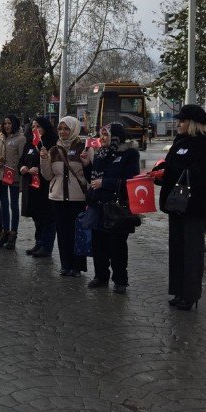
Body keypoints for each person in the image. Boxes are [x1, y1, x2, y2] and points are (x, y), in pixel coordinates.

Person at [157, 105, 206, 310]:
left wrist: (175, 173)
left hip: (194, 206)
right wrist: (160, 174)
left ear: (192, 123)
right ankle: (179, 291)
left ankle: (190, 295)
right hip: (176, 204)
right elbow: (171, 165)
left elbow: (203, 174)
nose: (178, 124)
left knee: (192, 251)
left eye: (182, 121)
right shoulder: (180, 141)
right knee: (177, 249)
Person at [86, 123, 140, 294]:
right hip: (98, 206)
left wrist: (105, 183)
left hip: (116, 208)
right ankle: (100, 276)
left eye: (106, 135)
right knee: (98, 245)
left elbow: (130, 181)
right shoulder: (101, 153)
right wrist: (87, 164)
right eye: (100, 135)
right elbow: (93, 178)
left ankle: (120, 280)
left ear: (116, 137)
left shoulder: (129, 154)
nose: (102, 138)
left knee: (117, 246)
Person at [40, 115, 92, 277]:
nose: (62, 132)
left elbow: (91, 173)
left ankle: (77, 266)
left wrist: (87, 163)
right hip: (58, 197)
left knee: (78, 233)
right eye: (60, 129)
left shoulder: (83, 147)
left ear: (74, 129)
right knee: (62, 233)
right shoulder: (54, 149)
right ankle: (65, 265)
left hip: (78, 198)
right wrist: (43, 160)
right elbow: (48, 176)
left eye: (66, 128)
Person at [19, 117, 58, 258]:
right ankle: (39, 242)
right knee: (36, 216)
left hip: (46, 186)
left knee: (47, 217)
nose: (36, 129)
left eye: (39, 126)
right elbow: (22, 160)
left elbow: (55, 165)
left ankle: (47, 246)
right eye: (34, 126)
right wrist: (23, 167)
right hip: (32, 186)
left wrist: (39, 167)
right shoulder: (29, 144)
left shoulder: (52, 143)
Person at [0, 114, 26, 250]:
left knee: (14, 205)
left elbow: (23, 159)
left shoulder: (21, 139)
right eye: (5, 124)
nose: (7, 126)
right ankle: (5, 231)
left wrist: (20, 175)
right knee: (3, 205)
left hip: (14, 177)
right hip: (0, 176)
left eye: (9, 123)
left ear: (14, 124)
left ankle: (13, 234)